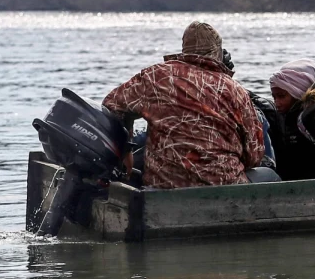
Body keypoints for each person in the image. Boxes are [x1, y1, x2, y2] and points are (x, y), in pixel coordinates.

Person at [103, 21, 269, 189]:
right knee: (270, 176)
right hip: (225, 187)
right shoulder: (236, 90)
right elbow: (254, 155)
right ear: (218, 52)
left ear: (185, 48)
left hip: (164, 188)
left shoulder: (155, 77)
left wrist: (126, 150)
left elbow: (112, 106)